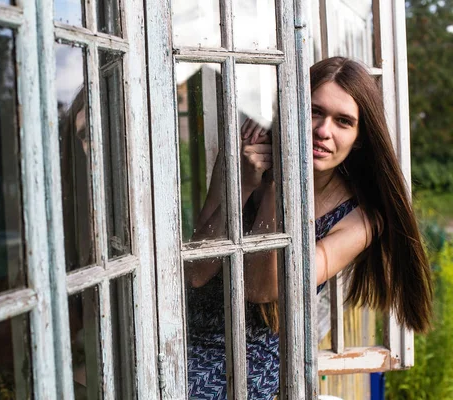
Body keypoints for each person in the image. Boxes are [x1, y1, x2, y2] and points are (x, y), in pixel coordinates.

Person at [184, 56, 433, 399]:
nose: (323, 130)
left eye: (343, 121)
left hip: (249, 361)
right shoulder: (241, 162)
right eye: (315, 111)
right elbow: (195, 273)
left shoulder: (360, 218)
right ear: (291, 110)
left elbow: (262, 289)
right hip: (182, 334)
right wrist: (240, 187)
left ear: (359, 138)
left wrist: (277, 187)